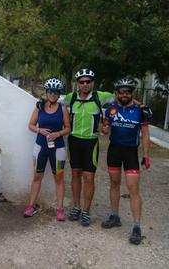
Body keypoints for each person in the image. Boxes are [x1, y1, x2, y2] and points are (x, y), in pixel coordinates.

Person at [100, 78, 151, 245]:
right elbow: (105, 127)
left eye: (128, 92)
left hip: (131, 153)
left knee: (133, 189)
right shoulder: (111, 109)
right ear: (117, 93)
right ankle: (115, 216)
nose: (124, 94)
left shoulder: (141, 111)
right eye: (121, 92)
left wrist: (146, 155)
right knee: (114, 184)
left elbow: (145, 134)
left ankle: (137, 227)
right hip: (114, 150)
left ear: (132, 93)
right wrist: (105, 129)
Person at [63, 68, 115, 226]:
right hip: (74, 141)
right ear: (77, 83)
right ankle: (76, 207)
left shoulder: (101, 97)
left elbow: (121, 99)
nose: (85, 84)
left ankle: (86, 210)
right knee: (75, 174)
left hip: (91, 142)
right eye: (81, 82)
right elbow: (53, 103)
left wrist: (107, 123)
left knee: (89, 177)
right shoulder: (70, 98)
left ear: (93, 83)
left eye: (88, 82)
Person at [24, 78, 71, 221]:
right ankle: (31, 206)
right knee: (37, 176)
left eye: (56, 92)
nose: (53, 95)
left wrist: (58, 133)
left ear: (58, 94)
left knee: (59, 178)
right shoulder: (39, 108)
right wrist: (39, 130)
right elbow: (30, 125)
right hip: (40, 147)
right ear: (46, 92)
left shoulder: (63, 109)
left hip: (58, 149)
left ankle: (60, 209)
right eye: (50, 92)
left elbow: (68, 128)